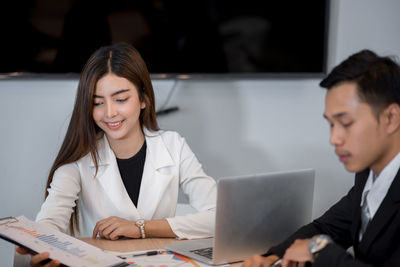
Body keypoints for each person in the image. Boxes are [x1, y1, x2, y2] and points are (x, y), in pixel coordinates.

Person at [16, 42, 217, 266]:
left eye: (121, 99)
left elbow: (219, 217)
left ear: (143, 99)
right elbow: (50, 221)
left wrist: (140, 228)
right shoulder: (78, 161)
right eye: (97, 103)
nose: (110, 113)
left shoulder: (173, 145)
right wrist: (40, 244)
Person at [243, 49, 400, 267]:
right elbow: (327, 228)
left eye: (345, 123)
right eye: (331, 124)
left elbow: (319, 244)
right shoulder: (368, 175)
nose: (334, 138)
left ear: (391, 118)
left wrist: (319, 251)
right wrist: (272, 258)